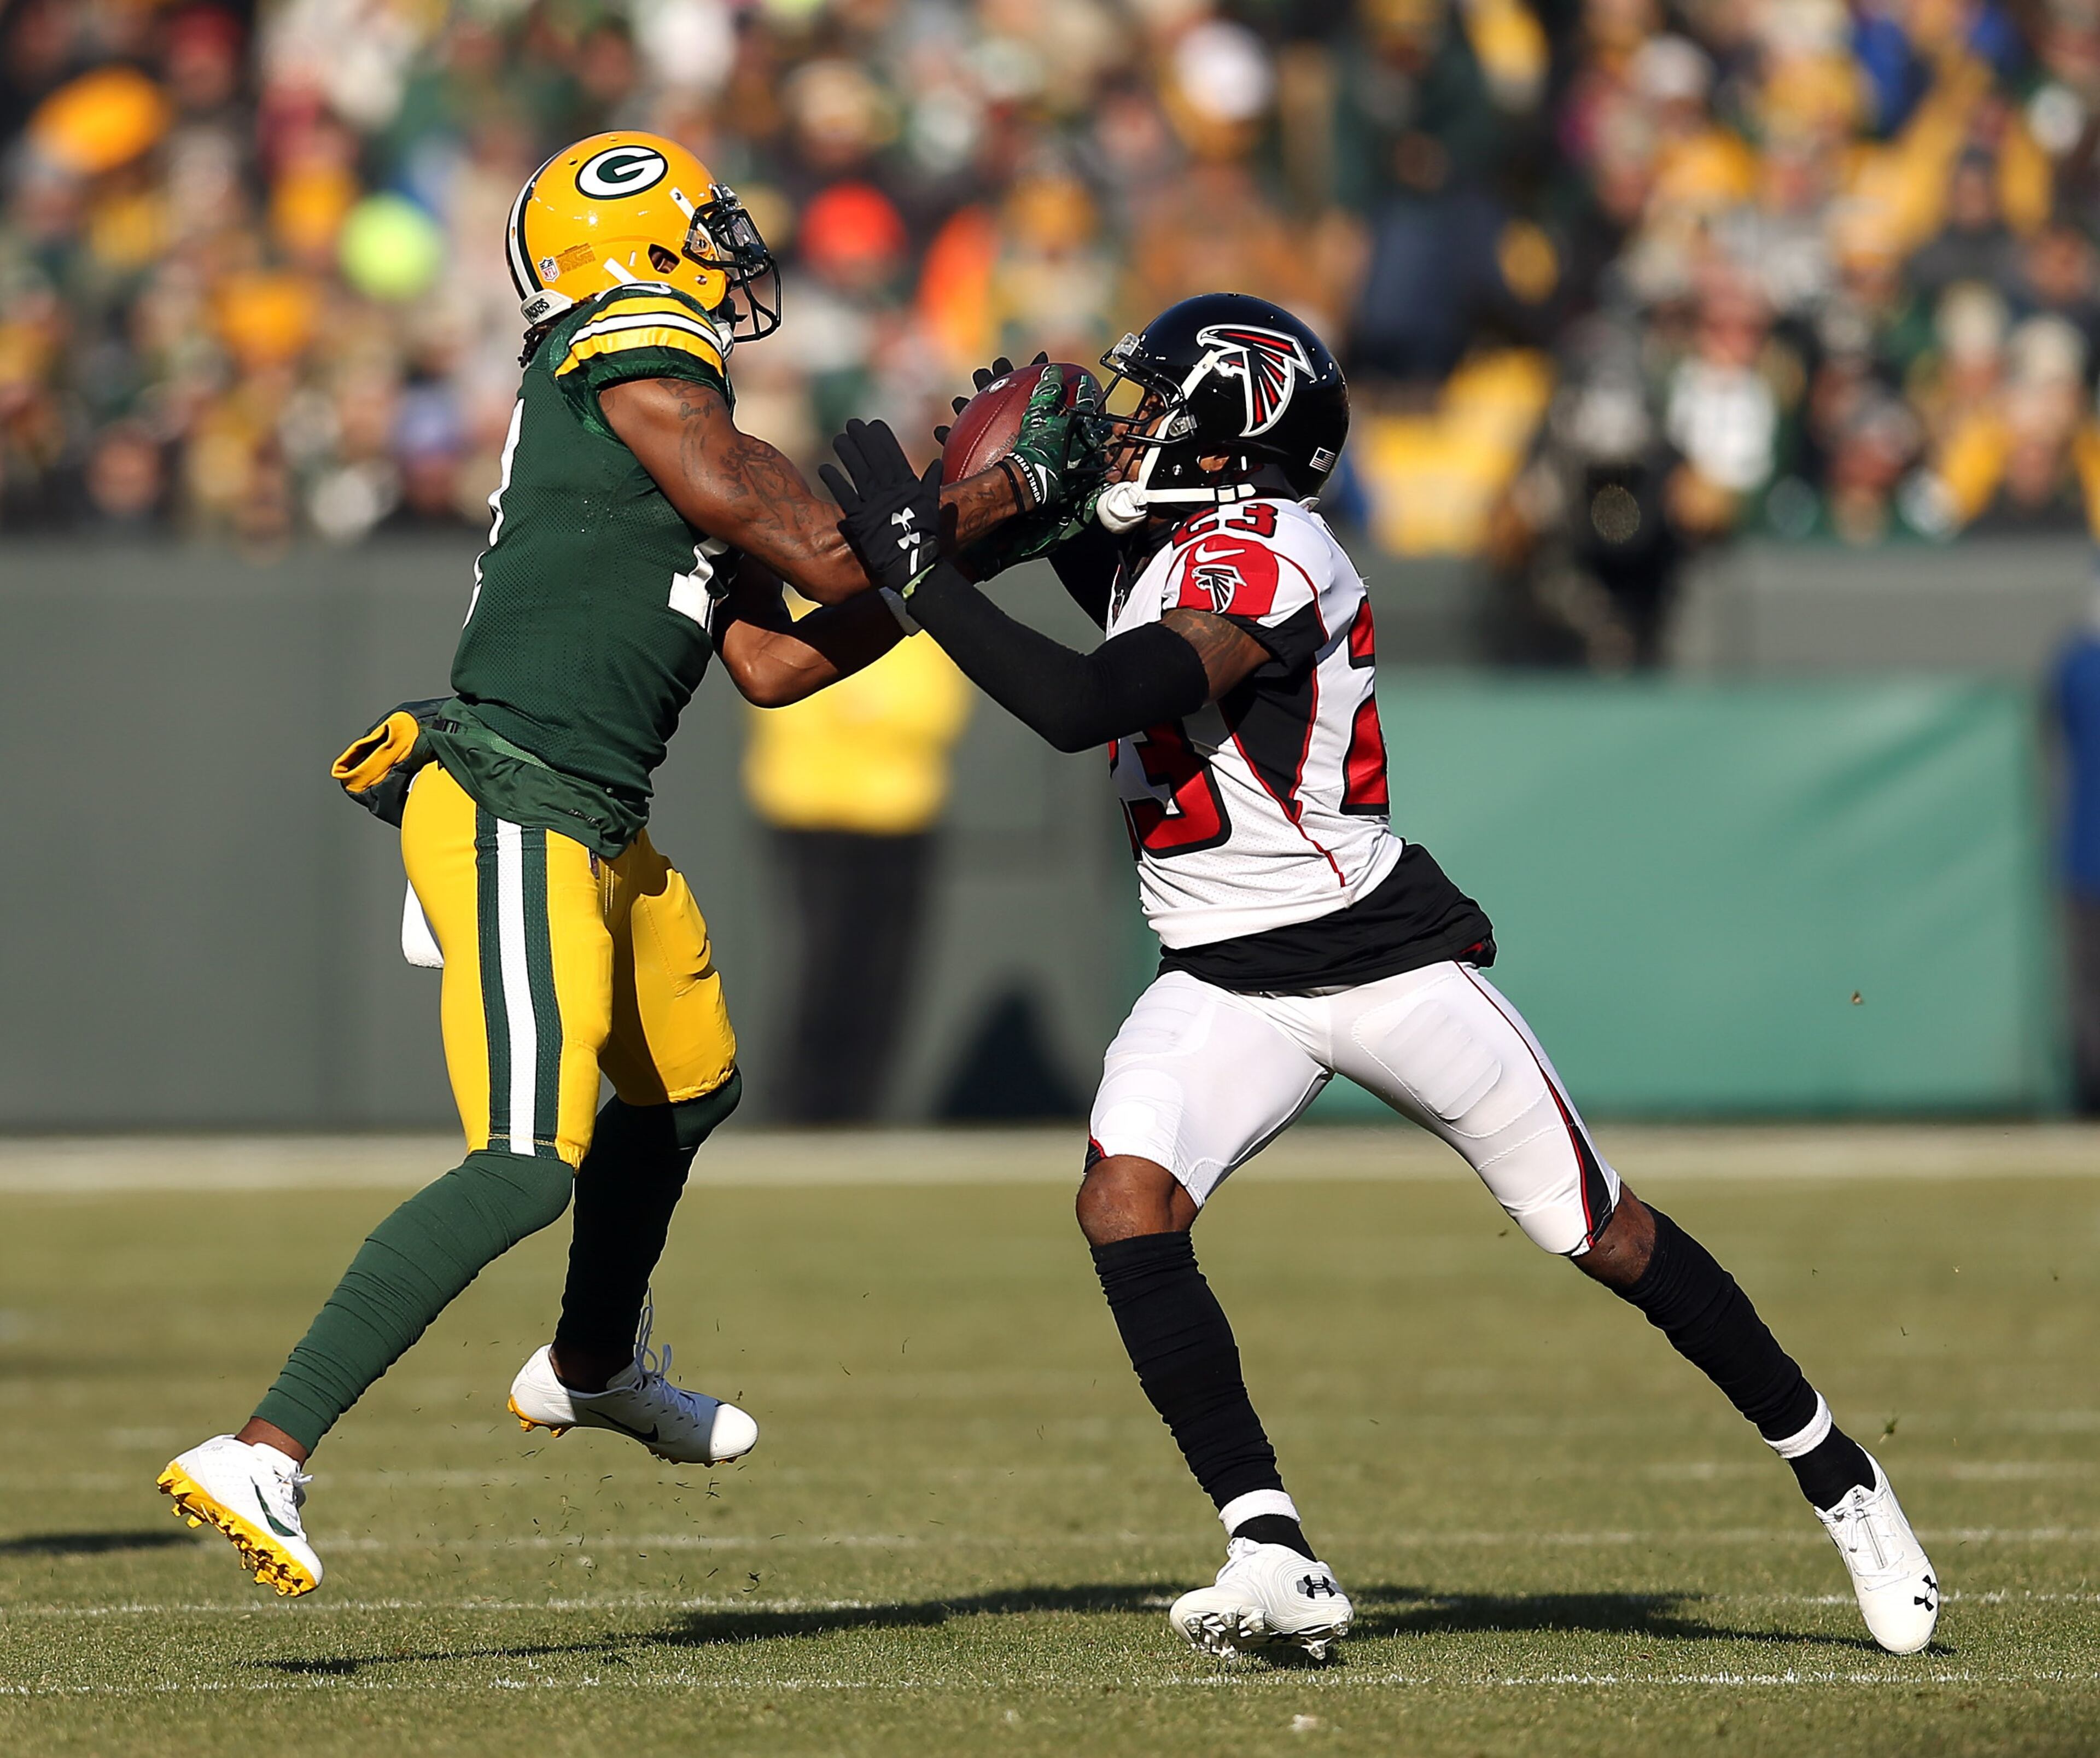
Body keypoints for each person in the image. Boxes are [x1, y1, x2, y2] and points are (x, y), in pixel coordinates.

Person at [824, 292, 1941, 1662]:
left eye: (1155, 401)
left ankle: (1842, 1480)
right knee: (1125, 1200)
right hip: (1220, 981)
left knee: (1601, 1231)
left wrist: (921, 569)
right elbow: (1059, 565)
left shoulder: (1270, 546)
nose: (1124, 427)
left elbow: (1081, 709)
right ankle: (1269, 1547)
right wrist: (971, 516)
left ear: (1234, 421)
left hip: (1376, 961)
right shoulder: (1162, 537)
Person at [156, 131, 1085, 1598]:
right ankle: (263, 1444)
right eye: (700, 231)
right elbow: (833, 551)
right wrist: (993, 504)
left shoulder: (678, 415)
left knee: (690, 1077)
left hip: (599, 811)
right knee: (528, 1159)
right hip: (514, 793)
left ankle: (590, 1362)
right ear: (631, 249)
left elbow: (782, 654)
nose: (726, 256)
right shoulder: (632, 351)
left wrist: (970, 540)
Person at [743, 628, 971, 1121]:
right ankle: (800, 1106)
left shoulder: (918, 635)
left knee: (885, 970)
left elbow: (935, 713)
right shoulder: (794, 623)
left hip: (899, 821)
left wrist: (860, 710)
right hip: (813, 820)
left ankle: (860, 1107)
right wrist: (862, 711)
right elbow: (781, 707)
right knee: (824, 962)